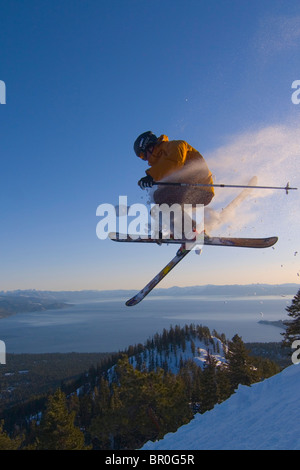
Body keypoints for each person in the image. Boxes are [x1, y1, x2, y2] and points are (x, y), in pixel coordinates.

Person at [134, 131, 214, 239]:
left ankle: (190, 231)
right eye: (141, 157)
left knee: (161, 197)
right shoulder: (161, 166)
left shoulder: (175, 146)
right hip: (189, 190)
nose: (145, 159)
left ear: (149, 146)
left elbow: (175, 162)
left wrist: (151, 176)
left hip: (200, 189)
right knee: (160, 200)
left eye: (142, 155)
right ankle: (184, 230)